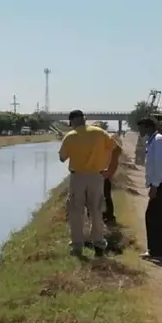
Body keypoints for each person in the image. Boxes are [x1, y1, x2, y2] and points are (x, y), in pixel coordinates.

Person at [59, 109, 121, 258]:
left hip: (78, 178)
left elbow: (62, 158)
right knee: (97, 211)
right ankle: (99, 244)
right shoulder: (100, 133)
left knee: (76, 212)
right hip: (97, 177)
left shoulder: (70, 136)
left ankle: (77, 246)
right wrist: (110, 170)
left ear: (72, 121)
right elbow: (116, 148)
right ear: (84, 118)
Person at [138, 116, 162, 262]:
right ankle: (158, 251)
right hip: (161, 185)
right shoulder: (153, 141)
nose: (140, 131)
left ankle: (157, 251)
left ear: (148, 127)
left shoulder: (158, 141)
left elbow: (161, 164)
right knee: (156, 218)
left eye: (141, 128)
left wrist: (154, 185)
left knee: (155, 218)